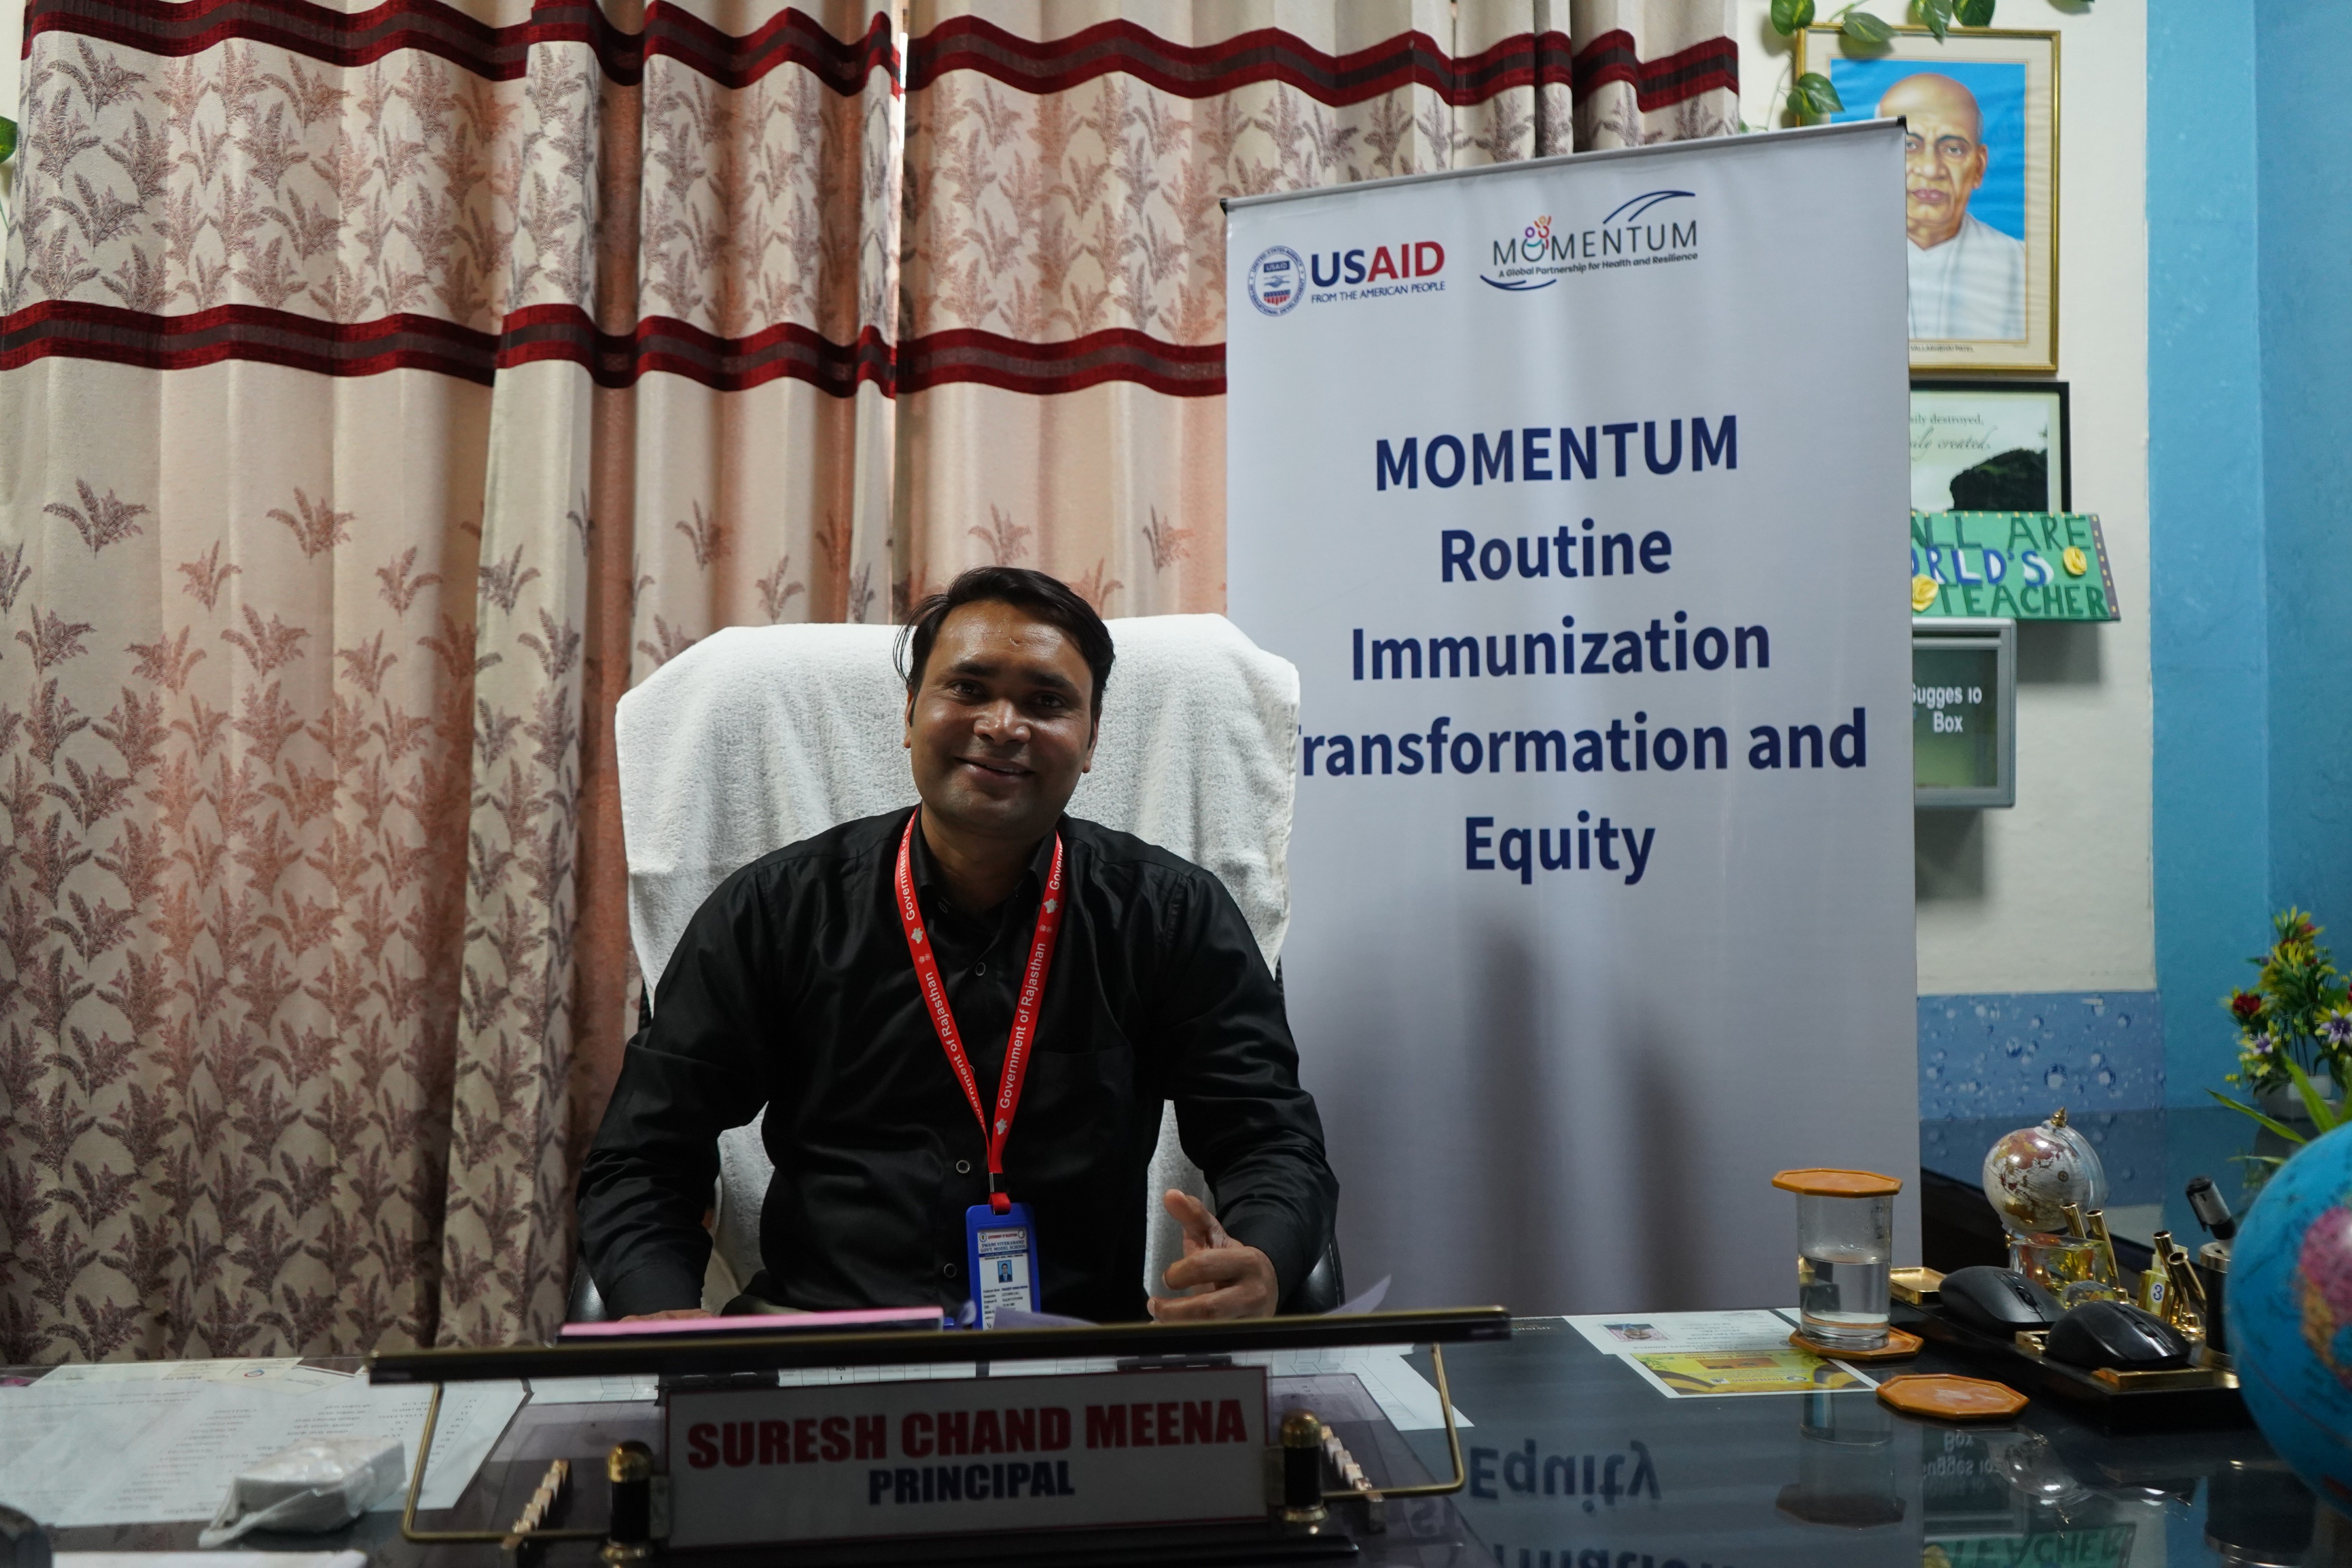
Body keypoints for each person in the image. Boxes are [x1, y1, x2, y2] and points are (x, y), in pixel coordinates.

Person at [578, 566, 1337, 1324]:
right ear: (910, 713)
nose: (1003, 725)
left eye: (1046, 702)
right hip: (820, 1352)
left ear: (1091, 740)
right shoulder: (775, 911)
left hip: (1074, 1360)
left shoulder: (1169, 916)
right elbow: (643, 1157)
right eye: (968, 689)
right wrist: (659, 1311)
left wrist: (1262, 1259)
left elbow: (1270, 1141)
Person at [1881, 72, 2025, 342]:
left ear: (1979, 167)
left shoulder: (2022, 267)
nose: (1930, 169)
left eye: (1953, 149)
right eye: (1909, 145)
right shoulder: (1839, 262)